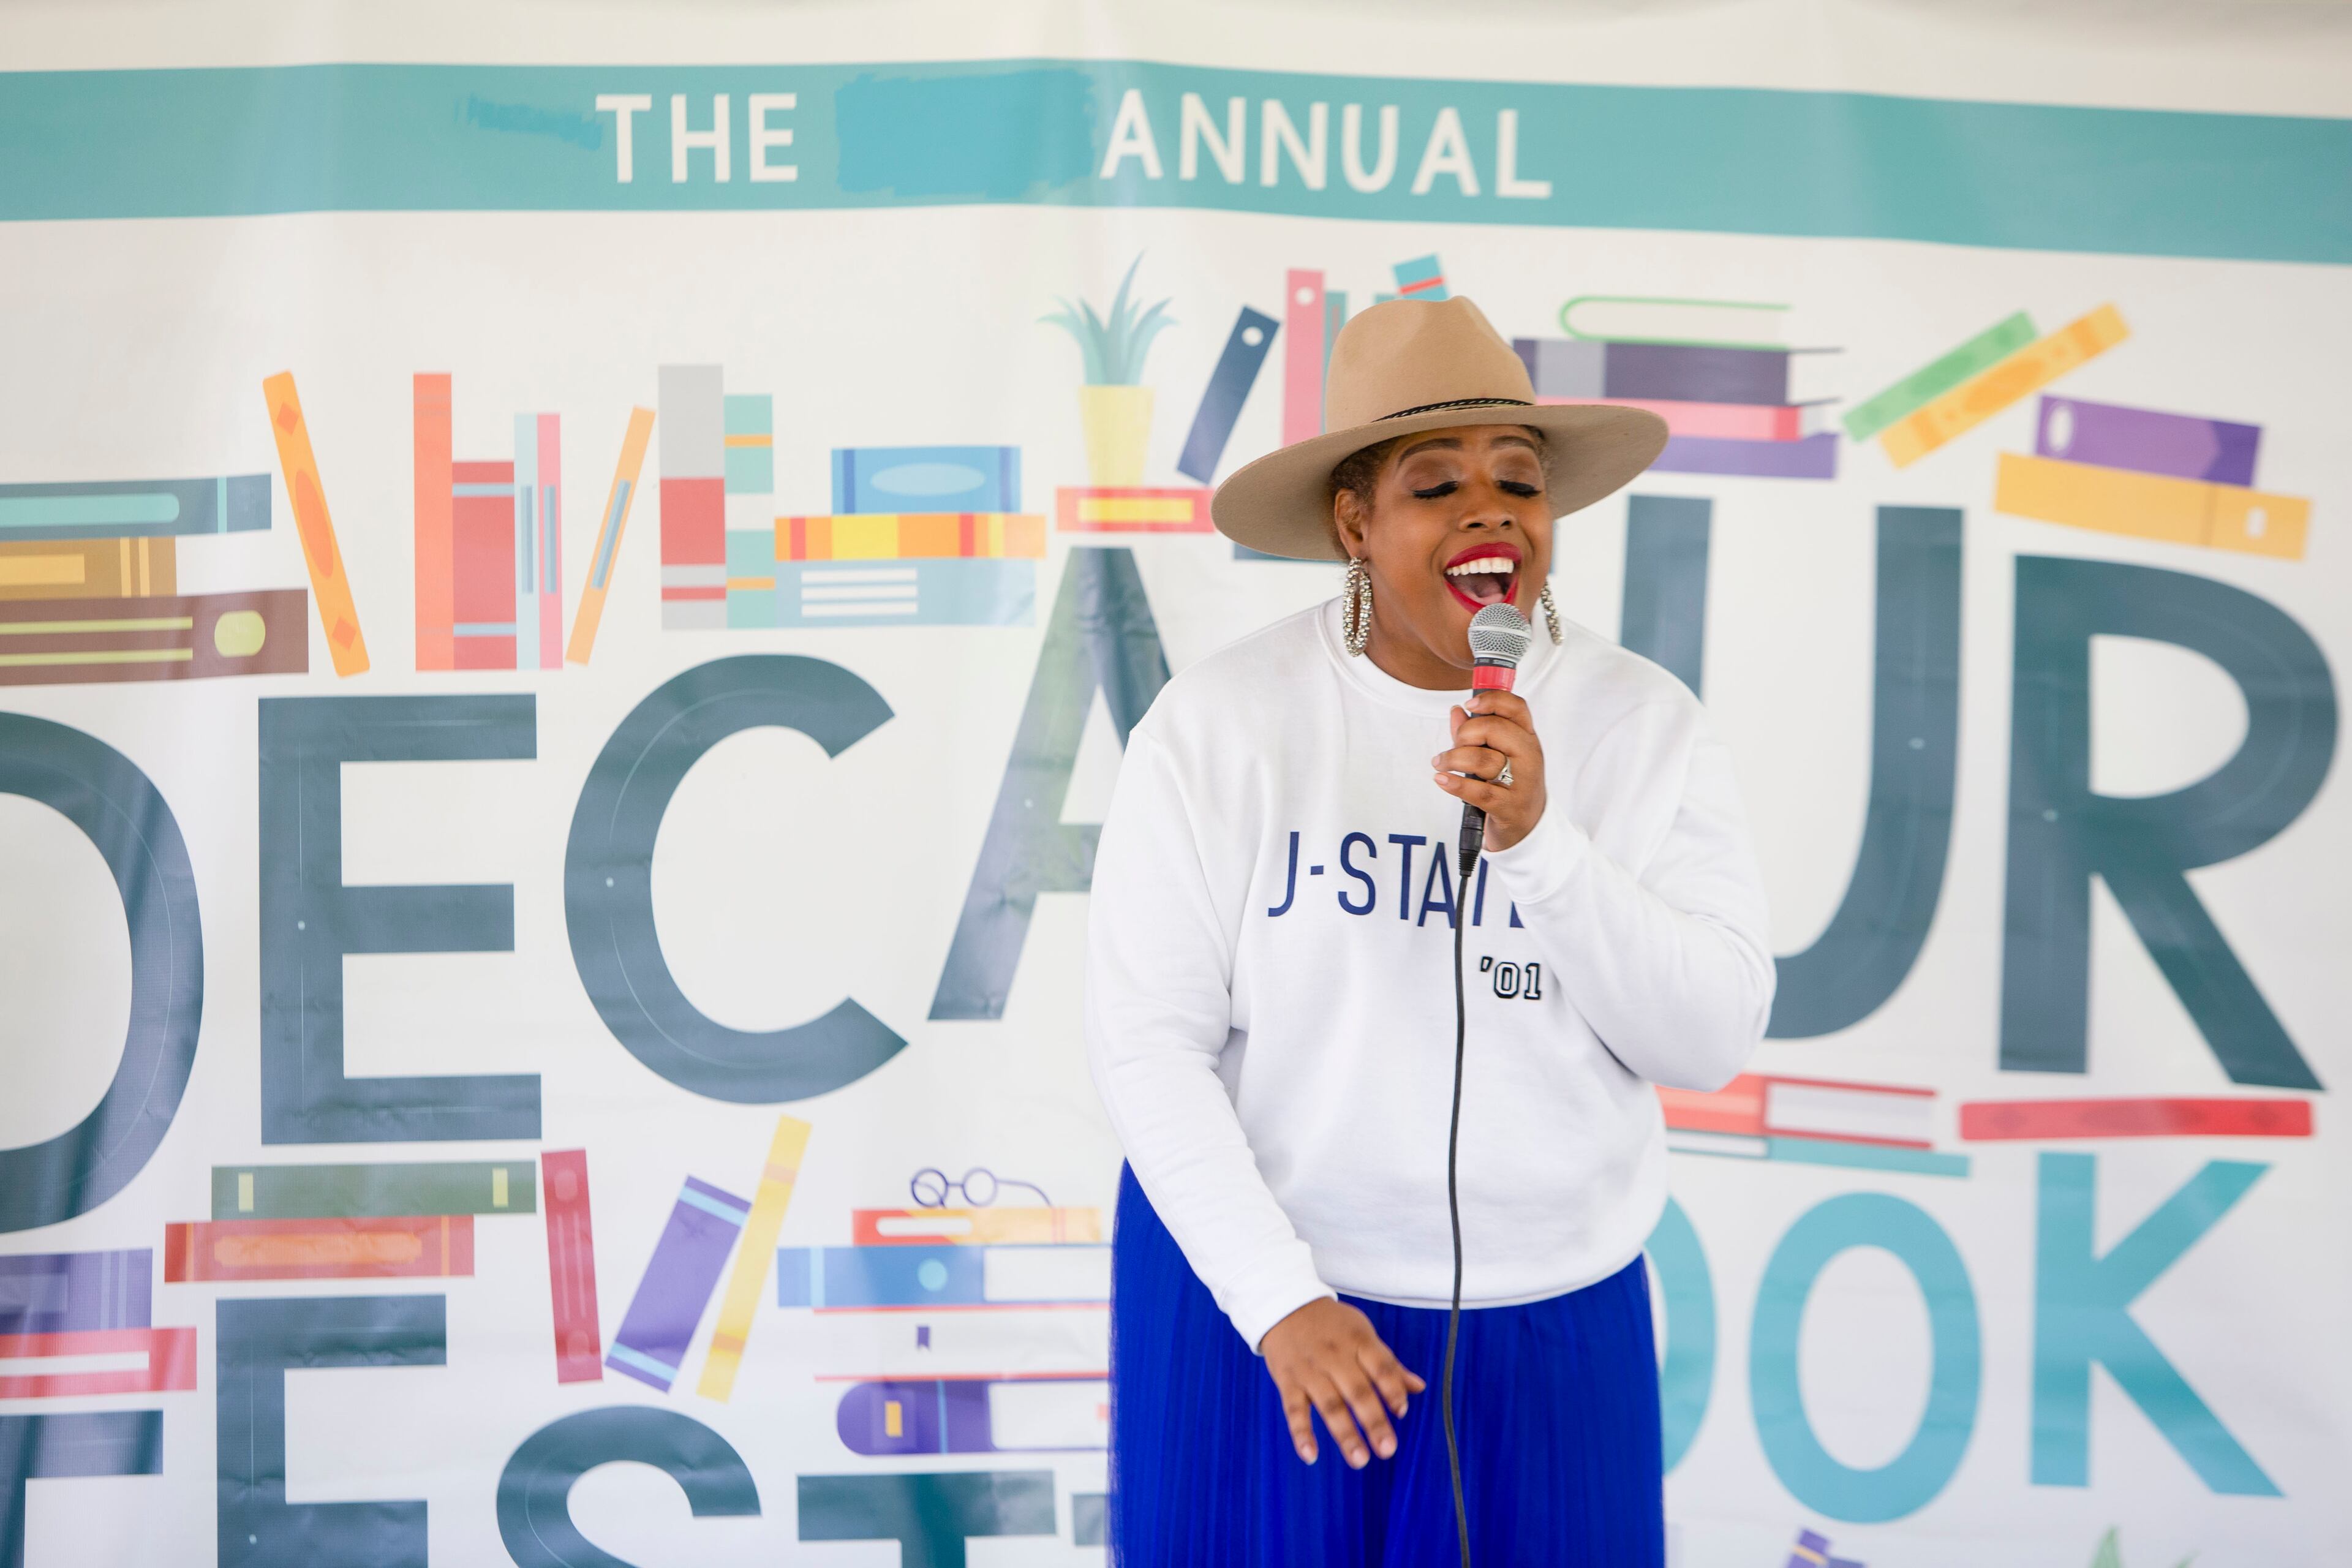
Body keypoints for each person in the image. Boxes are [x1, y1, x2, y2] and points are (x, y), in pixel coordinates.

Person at [1084, 296, 1776, 1566]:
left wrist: (1542, 846)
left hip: (1550, 1310)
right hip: (1271, 1304)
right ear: (1356, 521)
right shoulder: (1221, 725)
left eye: (1520, 480)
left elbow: (1713, 1033)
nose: (1490, 511)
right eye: (1436, 483)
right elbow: (1147, 1043)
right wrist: (1280, 1296)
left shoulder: (1640, 724)